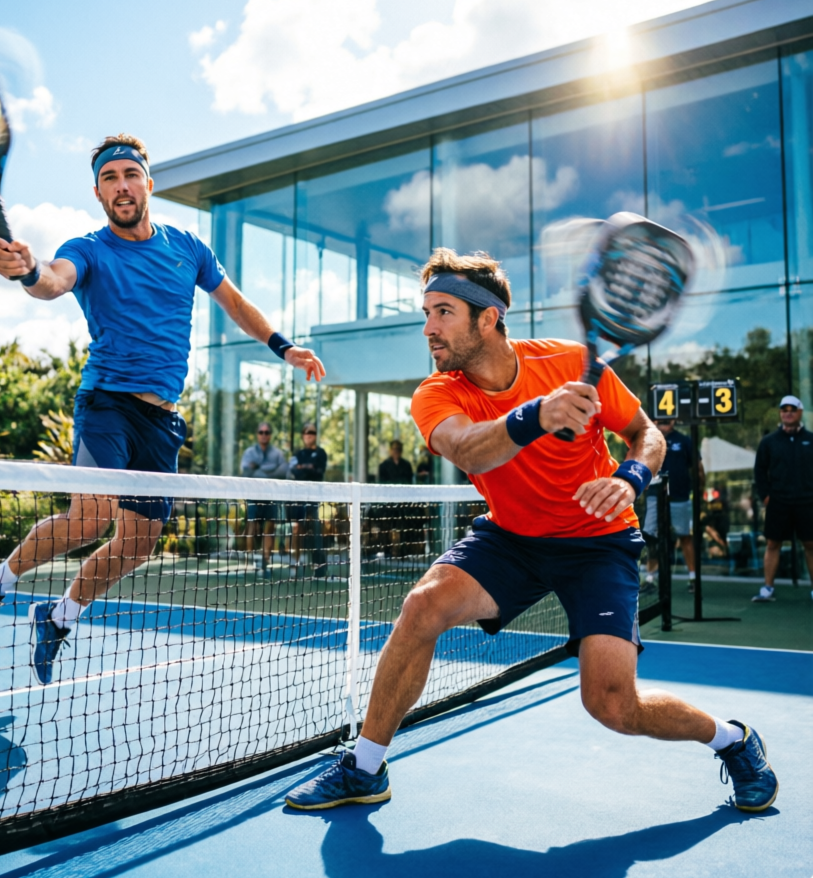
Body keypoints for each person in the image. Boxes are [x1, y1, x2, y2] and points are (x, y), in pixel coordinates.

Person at [285, 248, 777, 814]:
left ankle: (732, 739)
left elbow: (648, 434)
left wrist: (631, 476)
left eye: (443, 312)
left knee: (614, 705)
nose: (428, 328)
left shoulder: (570, 361)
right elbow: (468, 447)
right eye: (426, 313)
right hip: (512, 538)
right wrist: (536, 416)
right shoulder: (437, 392)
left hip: (599, 541)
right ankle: (365, 768)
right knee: (423, 607)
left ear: (487, 318)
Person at [0, 135, 325, 683]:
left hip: (162, 419)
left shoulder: (188, 248)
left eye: (130, 175)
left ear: (148, 183)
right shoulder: (89, 248)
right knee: (92, 517)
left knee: (139, 543)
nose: (121, 186)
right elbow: (54, 281)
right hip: (107, 404)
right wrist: (29, 270)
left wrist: (283, 346)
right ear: (99, 193)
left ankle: (58, 616)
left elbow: (236, 303)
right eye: (109, 179)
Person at [752, 395, 813, 603]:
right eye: (784, 409)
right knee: (772, 544)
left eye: (792, 409)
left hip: (807, 502)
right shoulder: (769, 442)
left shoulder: (811, 439)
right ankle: (767, 588)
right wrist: (766, 496)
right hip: (779, 502)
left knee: (811, 544)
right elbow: (760, 471)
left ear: (800, 412)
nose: (788, 412)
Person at [641, 419, 703, 594]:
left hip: (680, 496)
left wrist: (699, 491)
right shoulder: (648, 438)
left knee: (685, 536)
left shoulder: (684, 440)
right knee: (651, 537)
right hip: (654, 496)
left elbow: (697, 468)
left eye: (668, 418)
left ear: (674, 420)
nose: (664, 422)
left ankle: (693, 578)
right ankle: (650, 579)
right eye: (660, 418)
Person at [241, 423, 288, 576]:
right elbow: (246, 469)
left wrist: (259, 468)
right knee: (252, 528)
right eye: (261, 432)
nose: (264, 435)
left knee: (270, 529)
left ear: (270, 434)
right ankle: (250, 563)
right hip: (253, 495)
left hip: (271, 496)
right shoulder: (249, 452)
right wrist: (270, 469)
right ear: (257, 434)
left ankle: (265, 564)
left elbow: (283, 471)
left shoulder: (277, 453)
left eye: (267, 432)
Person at [287, 423, 328, 576]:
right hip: (299, 498)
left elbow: (318, 472)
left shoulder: (321, 453)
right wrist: (308, 468)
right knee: (297, 529)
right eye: (306, 432)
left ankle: (319, 567)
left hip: (315, 498)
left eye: (312, 432)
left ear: (316, 435)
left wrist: (303, 468)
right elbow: (294, 472)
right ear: (302, 435)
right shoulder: (297, 454)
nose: (309, 434)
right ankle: (294, 566)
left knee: (316, 530)